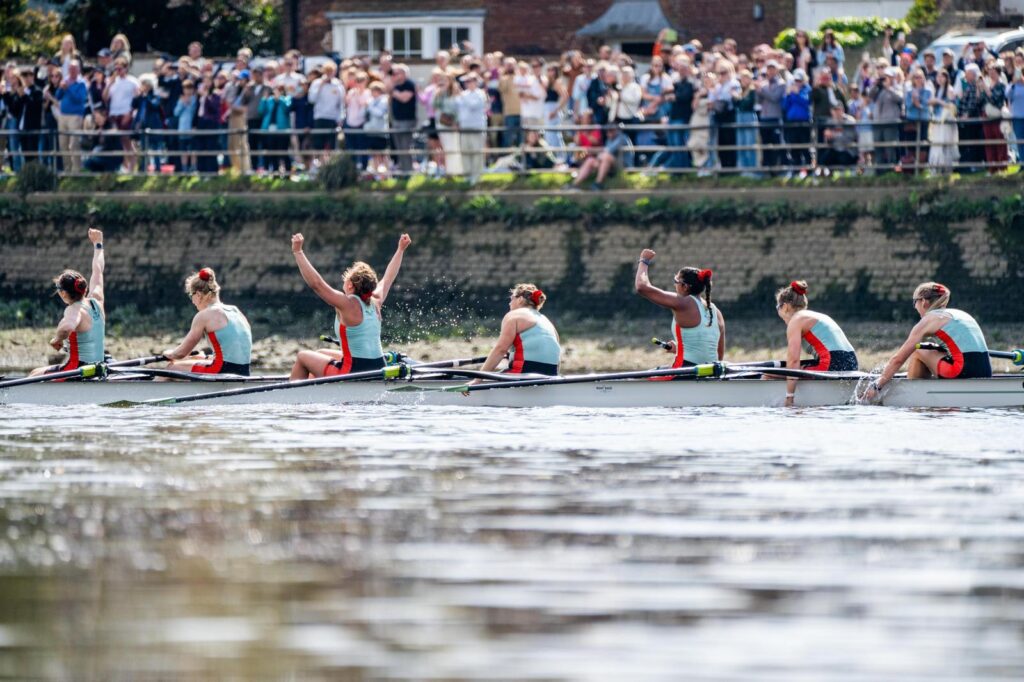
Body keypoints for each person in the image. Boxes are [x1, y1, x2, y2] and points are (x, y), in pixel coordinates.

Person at [289, 232, 412, 380]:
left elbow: (317, 285)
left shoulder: (347, 304)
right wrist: (400, 250)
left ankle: (296, 400)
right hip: (379, 367)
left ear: (349, 285)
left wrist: (298, 251)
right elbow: (388, 277)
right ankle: (320, 392)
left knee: (302, 357)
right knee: (321, 352)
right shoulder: (376, 301)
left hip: (353, 371)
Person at [867, 282, 991, 398]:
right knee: (927, 348)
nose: (914, 307)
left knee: (917, 351)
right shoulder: (960, 314)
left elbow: (898, 359)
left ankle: (913, 398)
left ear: (924, 302)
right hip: (985, 371)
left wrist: (878, 385)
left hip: (962, 372)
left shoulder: (929, 320)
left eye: (914, 302)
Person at [634, 249, 725, 373]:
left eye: (676, 281)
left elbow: (642, 287)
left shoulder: (685, 302)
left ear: (685, 286)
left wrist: (644, 260)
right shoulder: (716, 311)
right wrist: (682, 349)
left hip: (685, 371)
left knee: (643, 378)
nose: (674, 285)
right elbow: (718, 355)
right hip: (710, 373)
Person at [29, 229, 106, 376]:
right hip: (97, 368)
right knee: (37, 371)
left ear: (63, 293)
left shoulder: (75, 309)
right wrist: (98, 244)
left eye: (58, 289)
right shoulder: (97, 300)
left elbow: (67, 327)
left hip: (78, 370)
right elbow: (98, 269)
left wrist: (56, 339)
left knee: (34, 374)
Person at [772, 280, 858, 406]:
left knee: (770, 373)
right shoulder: (817, 316)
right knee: (791, 369)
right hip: (852, 362)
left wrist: (789, 396)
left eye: (777, 307)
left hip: (833, 363)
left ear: (785, 307)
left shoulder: (796, 320)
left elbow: (793, 361)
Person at [163, 267, 252, 376]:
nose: (192, 301)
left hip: (221, 369)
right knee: (184, 365)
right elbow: (233, 351)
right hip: (244, 372)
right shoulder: (236, 311)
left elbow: (180, 353)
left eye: (191, 296)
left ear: (198, 295)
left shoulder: (204, 316)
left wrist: (169, 354)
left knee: (171, 369)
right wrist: (206, 358)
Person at [476, 284, 561, 377]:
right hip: (552, 373)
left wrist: (478, 379)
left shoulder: (514, 315)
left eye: (511, 299)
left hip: (526, 370)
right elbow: (557, 355)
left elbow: (500, 350)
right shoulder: (546, 320)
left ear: (520, 299)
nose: (509, 303)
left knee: (484, 378)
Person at [569, 122, 627, 190]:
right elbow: (604, 152)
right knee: (590, 160)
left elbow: (608, 150)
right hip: (608, 163)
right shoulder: (609, 139)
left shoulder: (622, 137)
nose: (609, 133)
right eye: (608, 131)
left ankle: (598, 183)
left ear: (616, 130)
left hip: (623, 164)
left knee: (606, 157)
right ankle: (575, 184)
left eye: (611, 130)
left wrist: (597, 154)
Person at [455, 73, 488, 183]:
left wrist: (462, 96)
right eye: (466, 82)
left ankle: (476, 176)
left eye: (469, 81)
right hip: (464, 127)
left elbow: (473, 106)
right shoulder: (463, 94)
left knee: (476, 152)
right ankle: (467, 175)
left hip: (476, 127)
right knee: (465, 151)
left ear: (475, 82)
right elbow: (458, 110)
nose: (467, 84)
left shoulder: (480, 94)